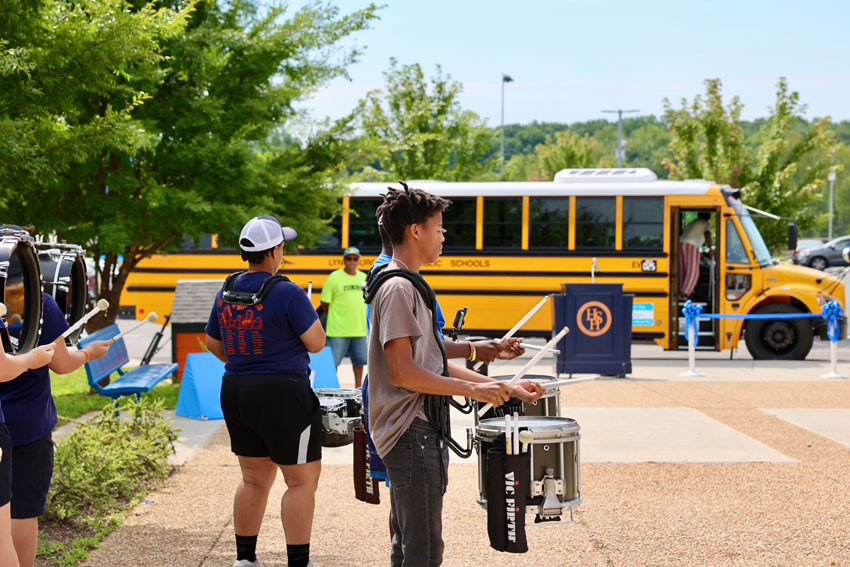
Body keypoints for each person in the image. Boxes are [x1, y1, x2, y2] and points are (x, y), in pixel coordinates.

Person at [367, 184, 543, 566]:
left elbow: (432, 360)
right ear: (415, 231)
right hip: (409, 431)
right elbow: (403, 372)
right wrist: (475, 390)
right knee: (423, 551)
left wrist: (504, 387)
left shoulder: (409, 284)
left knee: (411, 546)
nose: (444, 236)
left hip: (417, 428)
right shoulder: (398, 287)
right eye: (439, 228)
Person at [206, 215, 326, 567]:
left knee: (253, 479)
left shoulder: (226, 290)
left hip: (237, 389)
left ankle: (245, 560)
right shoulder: (287, 291)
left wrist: (247, 359)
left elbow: (214, 342)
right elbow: (316, 343)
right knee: (301, 482)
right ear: (274, 250)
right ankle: (299, 563)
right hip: (284, 395)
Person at [0, 294, 113, 567]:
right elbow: (61, 363)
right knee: (22, 512)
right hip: (29, 425)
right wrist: (88, 353)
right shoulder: (37, 300)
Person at [0, 341, 55, 567]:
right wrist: (32, 359)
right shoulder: (44, 305)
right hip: (29, 424)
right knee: (2, 542)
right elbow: (1, 368)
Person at [320, 247, 367, 387]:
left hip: (359, 329)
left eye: (355, 258)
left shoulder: (363, 277)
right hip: (338, 330)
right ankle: (333, 389)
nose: (352, 261)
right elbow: (325, 303)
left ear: (359, 260)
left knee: (359, 362)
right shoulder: (334, 277)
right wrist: (337, 317)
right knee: (333, 364)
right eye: (349, 258)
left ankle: (358, 389)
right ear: (344, 260)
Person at [679, 212, 712, 299]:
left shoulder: (693, 222)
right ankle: (685, 293)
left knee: (683, 270)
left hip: (681, 244)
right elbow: (707, 235)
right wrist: (710, 250)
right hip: (692, 245)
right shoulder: (705, 223)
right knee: (693, 271)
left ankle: (680, 291)